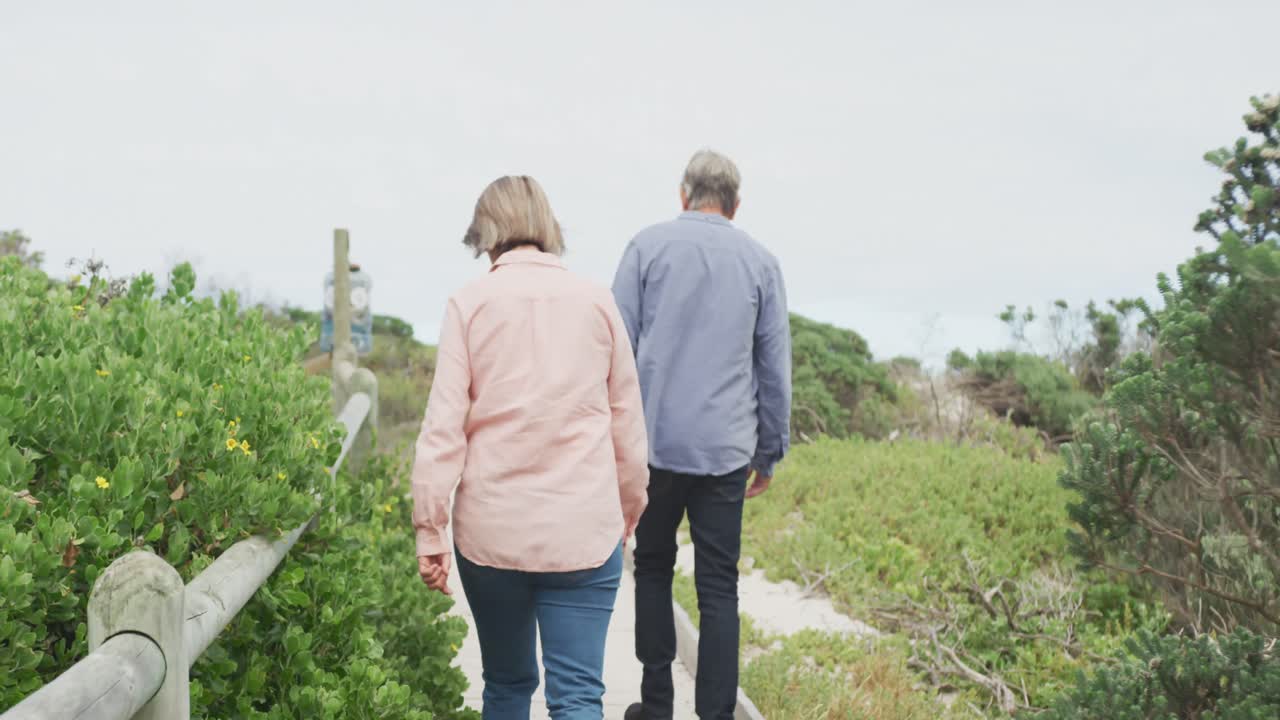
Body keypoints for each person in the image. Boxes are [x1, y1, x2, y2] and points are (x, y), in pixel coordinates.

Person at [413, 175, 650, 720]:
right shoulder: (597, 302)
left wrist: (431, 529)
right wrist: (627, 510)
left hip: (491, 535)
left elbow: (442, 428)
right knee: (578, 697)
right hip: (584, 533)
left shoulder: (469, 304)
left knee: (506, 684)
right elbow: (626, 426)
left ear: (485, 233)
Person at [612, 150, 792, 720]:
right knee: (719, 588)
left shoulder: (645, 247)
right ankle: (715, 714)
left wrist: (612, 447)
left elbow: (615, 352)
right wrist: (770, 452)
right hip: (724, 456)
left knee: (653, 570)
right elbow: (774, 370)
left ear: (683, 194)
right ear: (735, 205)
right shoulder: (762, 263)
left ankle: (657, 704)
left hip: (654, 447)